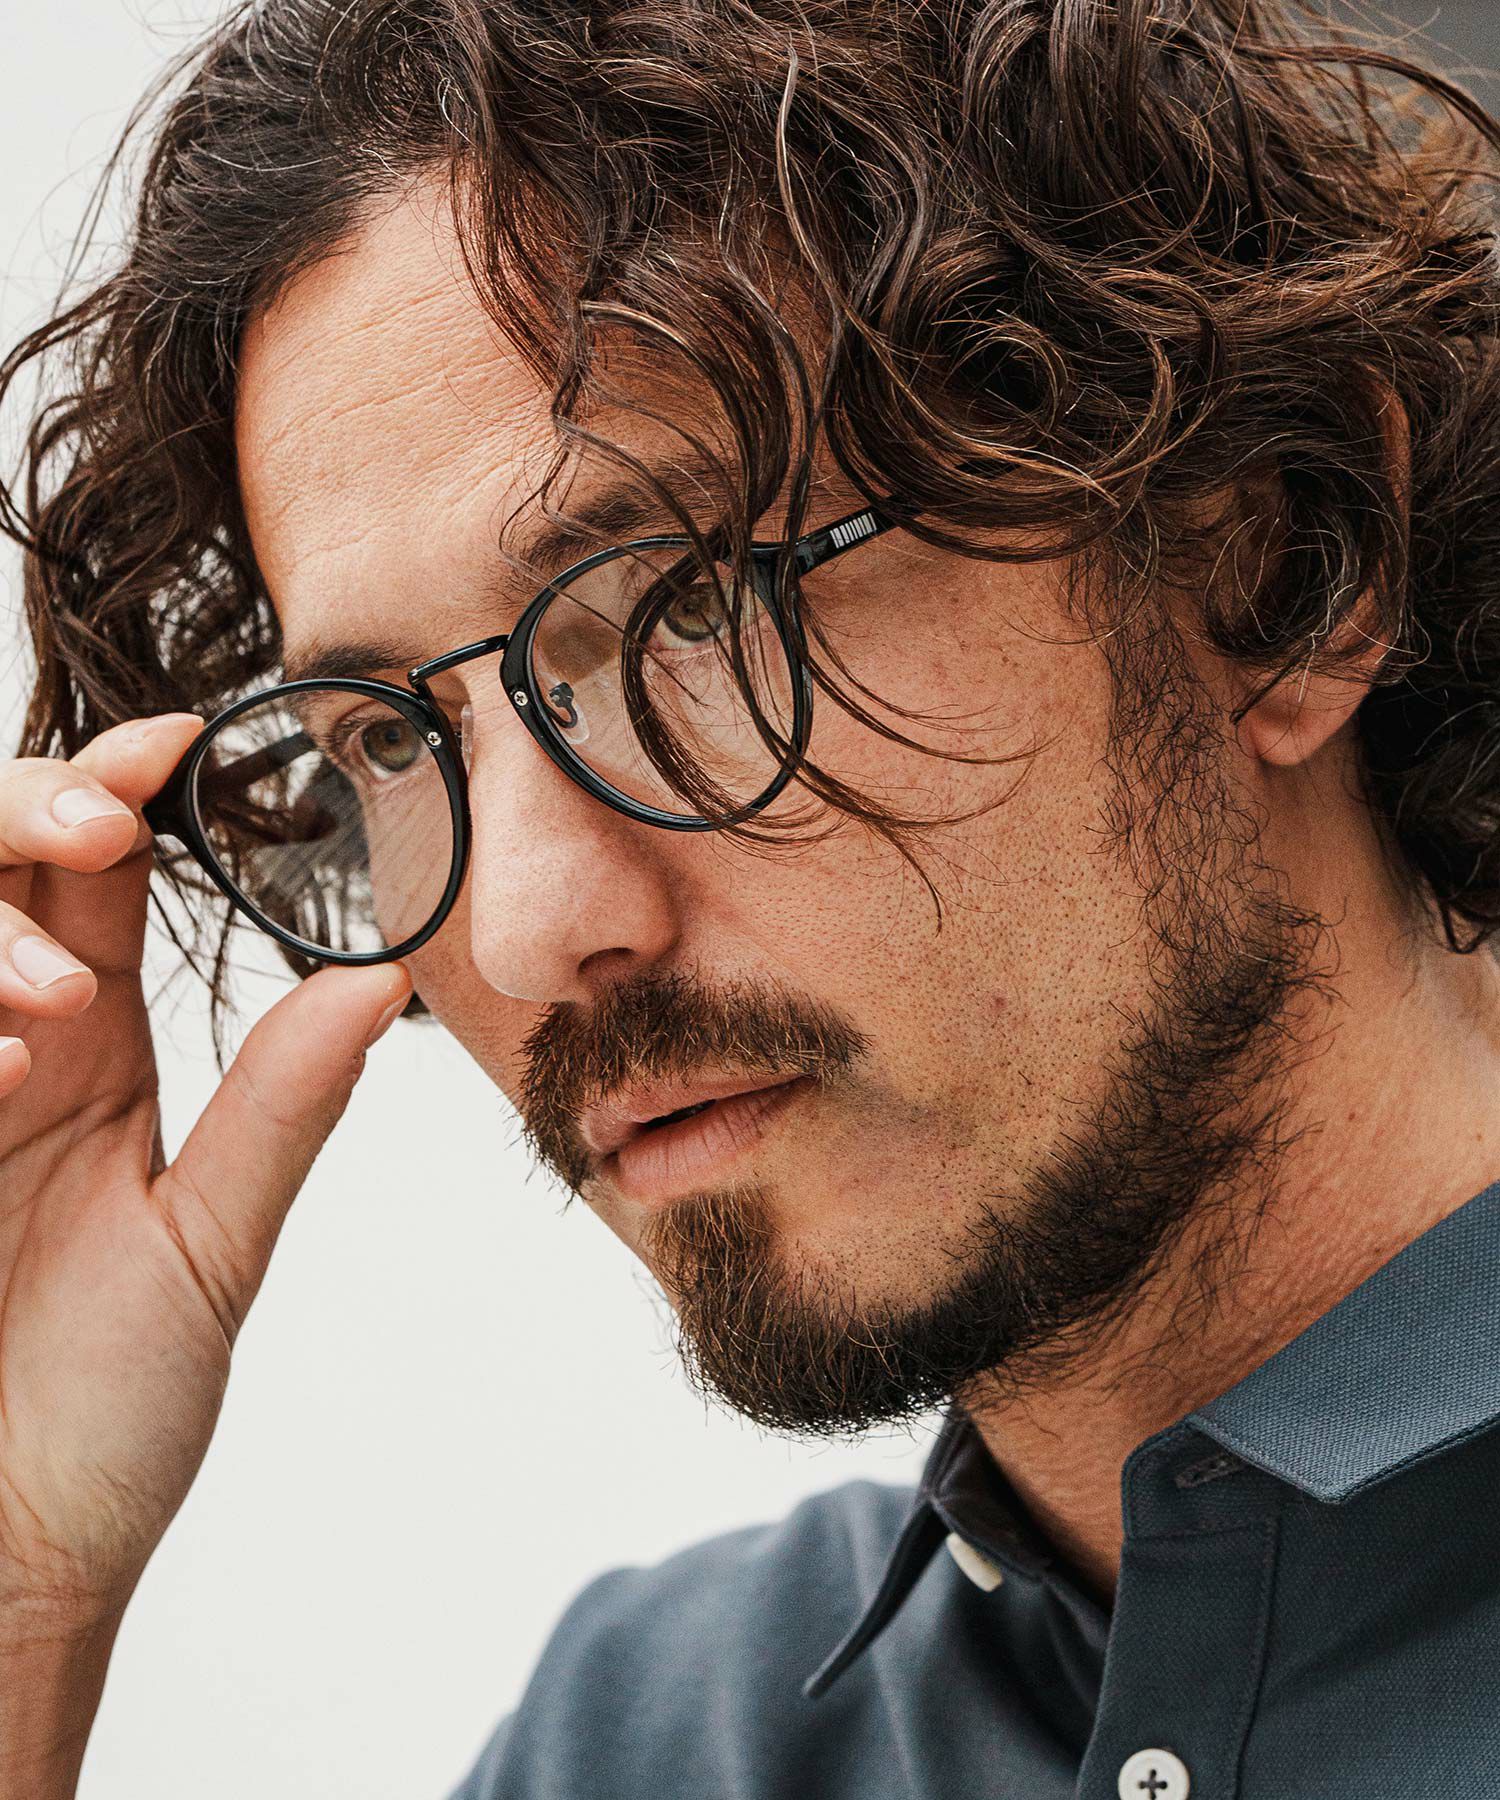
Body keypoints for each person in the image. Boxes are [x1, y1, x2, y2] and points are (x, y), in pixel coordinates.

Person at [4, 1, 1500, 1795]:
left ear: (1282, 561)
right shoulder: (657, 1740)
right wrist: (23, 1596)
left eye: (689, 609)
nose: (525, 931)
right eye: (388, 739)